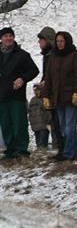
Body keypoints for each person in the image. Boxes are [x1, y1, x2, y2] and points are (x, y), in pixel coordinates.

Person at [41, 31, 77, 161]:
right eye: (58, 41)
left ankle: (70, 154)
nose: (59, 43)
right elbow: (48, 77)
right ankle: (65, 151)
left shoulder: (75, 55)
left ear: (67, 41)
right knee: (61, 126)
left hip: (71, 97)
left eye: (62, 41)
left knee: (69, 127)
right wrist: (46, 96)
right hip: (57, 97)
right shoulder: (54, 56)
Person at [0, 27, 40, 160]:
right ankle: (10, 150)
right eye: (6, 36)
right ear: (1, 39)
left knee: (19, 124)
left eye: (11, 35)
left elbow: (34, 70)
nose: (9, 38)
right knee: (5, 124)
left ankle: (21, 150)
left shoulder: (22, 55)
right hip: (1, 96)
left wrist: (22, 79)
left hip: (16, 95)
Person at [36, 26, 64, 156]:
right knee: (54, 121)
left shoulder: (53, 55)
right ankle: (59, 148)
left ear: (47, 40)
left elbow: (54, 75)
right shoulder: (48, 55)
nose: (39, 43)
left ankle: (61, 147)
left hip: (57, 93)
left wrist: (45, 84)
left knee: (58, 121)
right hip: (50, 92)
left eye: (41, 39)